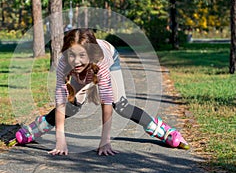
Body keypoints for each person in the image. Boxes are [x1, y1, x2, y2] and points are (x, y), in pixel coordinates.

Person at [13, 28, 189, 155]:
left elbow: (106, 102)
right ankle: (36, 128)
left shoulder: (101, 61)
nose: (76, 61)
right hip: (85, 73)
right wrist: (60, 140)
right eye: (71, 55)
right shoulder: (63, 64)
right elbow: (60, 101)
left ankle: (162, 131)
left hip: (110, 59)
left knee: (121, 106)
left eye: (82, 55)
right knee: (71, 106)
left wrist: (105, 140)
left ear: (90, 53)